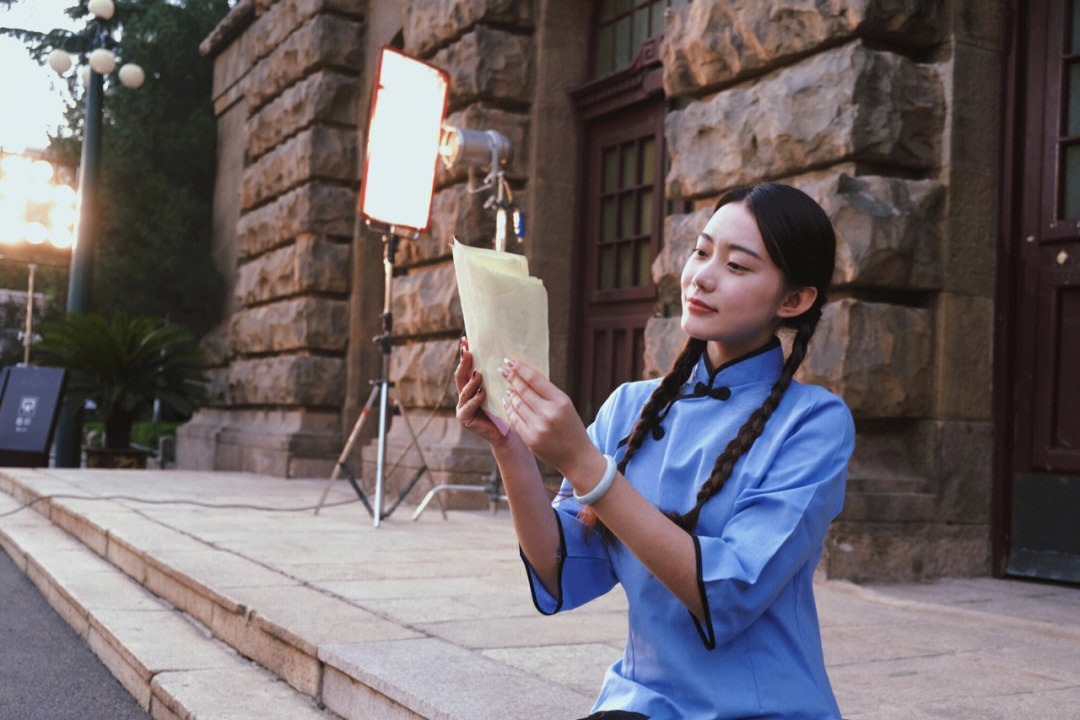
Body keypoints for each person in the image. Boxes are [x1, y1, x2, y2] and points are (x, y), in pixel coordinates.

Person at [454, 183, 854, 720]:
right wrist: (508, 444)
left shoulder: (815, 424)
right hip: (643, 704)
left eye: (737, 266)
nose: (702, 276)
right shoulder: (632, 408)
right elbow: (560, 567)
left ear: (794, 300)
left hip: (763, 709)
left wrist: (587, 466)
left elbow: (727, 592)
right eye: (701, 251)